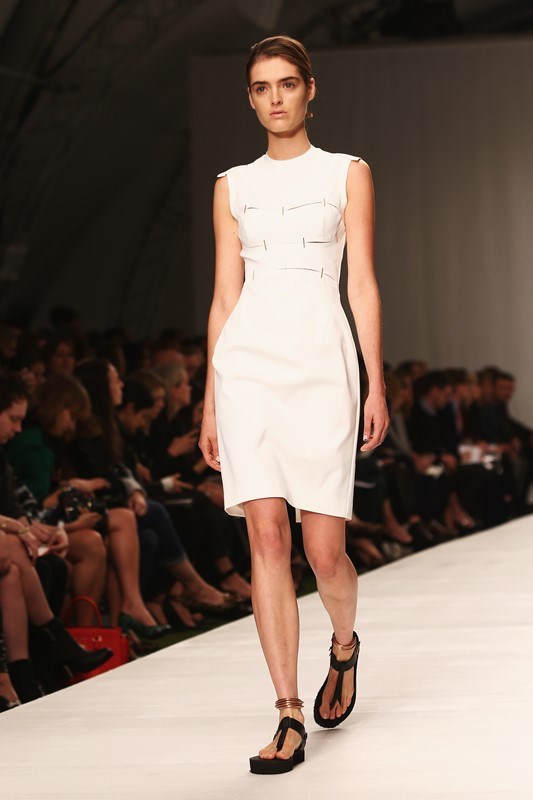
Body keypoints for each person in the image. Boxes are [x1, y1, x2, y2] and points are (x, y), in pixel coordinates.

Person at [199, 35, 389, 773]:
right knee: (267, 540)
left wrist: (374, 381)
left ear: (310, 89)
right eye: (260, 87)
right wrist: (210, 401)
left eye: (286, 83)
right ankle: (286, 711)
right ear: (249, 100)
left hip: (320, 363)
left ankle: (343, 645)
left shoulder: (347, 173)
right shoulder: (232, 185)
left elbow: (360, 282)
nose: (274, 97)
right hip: (248, 368)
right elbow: (224, 297)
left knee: (324, 551)